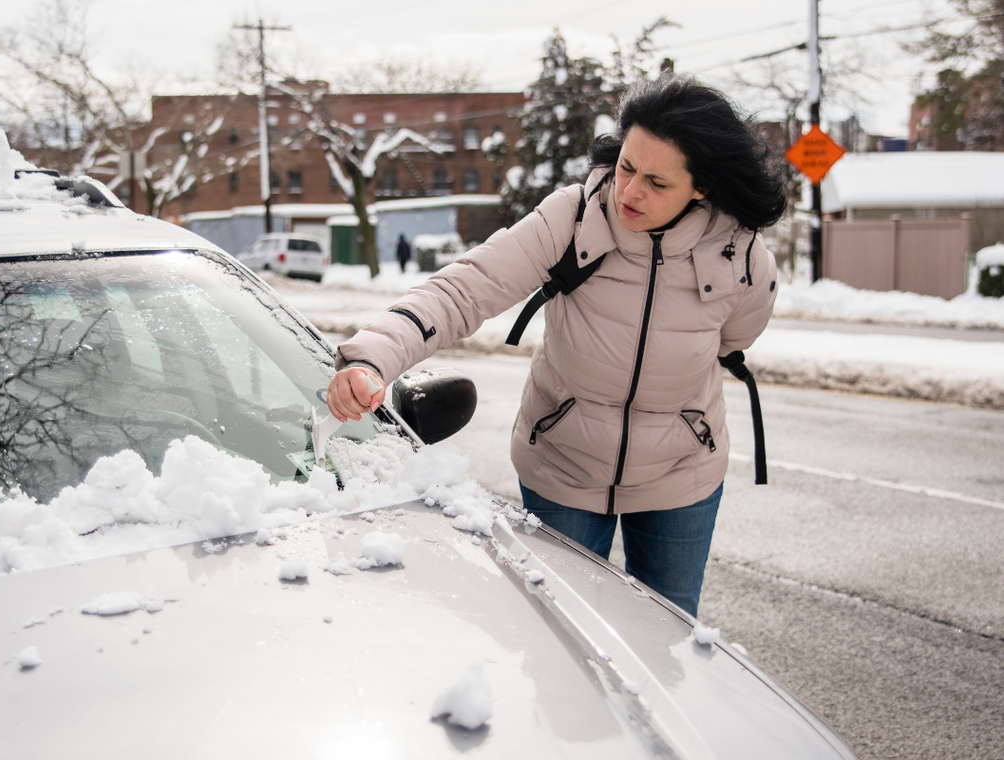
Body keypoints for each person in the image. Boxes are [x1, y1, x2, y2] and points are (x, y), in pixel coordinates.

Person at [325, 76, 786, 618]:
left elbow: (735, 339)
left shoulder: (742, 258)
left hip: (680, 475)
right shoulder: (572, 218)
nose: (629, 192)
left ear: (702, 187)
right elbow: (463, 289)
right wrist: (372, 356)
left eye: (657, 182)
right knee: (562, 633)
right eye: (627, 167)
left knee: (671, 633)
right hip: (564, 467)